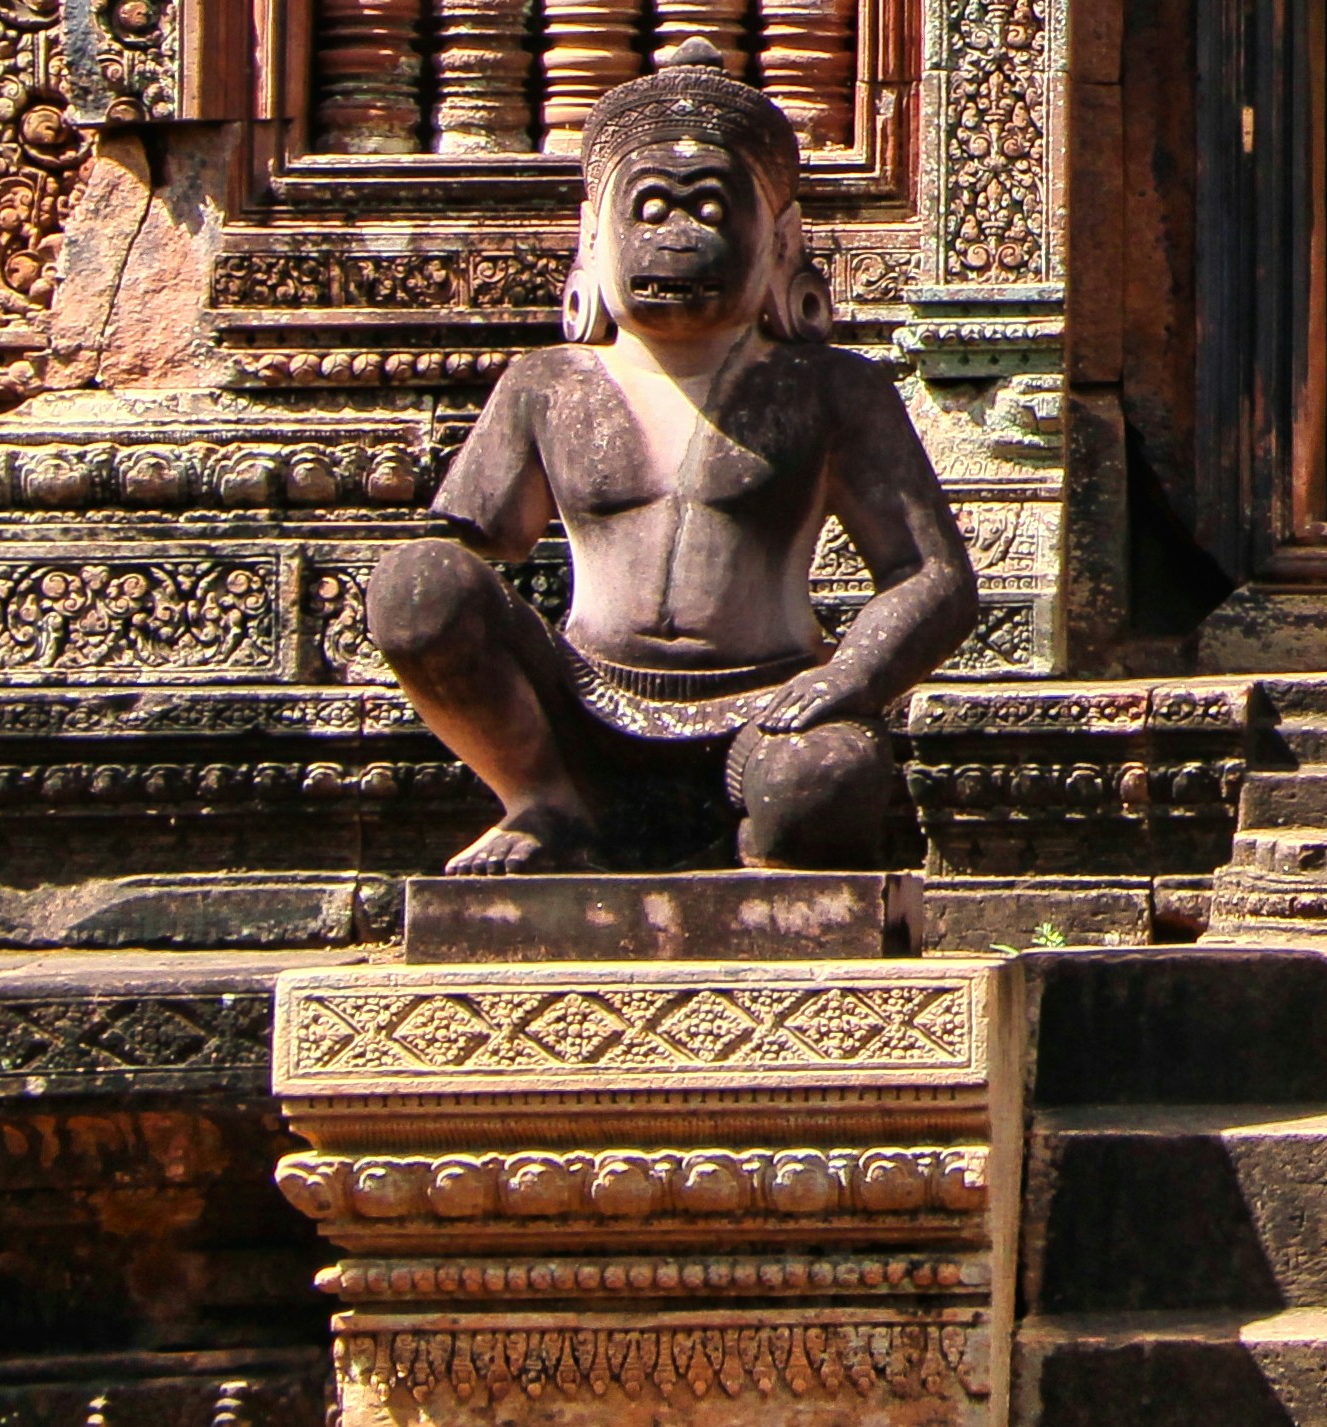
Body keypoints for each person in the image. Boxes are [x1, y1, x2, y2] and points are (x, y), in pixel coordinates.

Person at [366, 68, 979, 872]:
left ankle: (757, 850)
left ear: (781, 240)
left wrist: (853, 677)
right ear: (593, 234)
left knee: (826, 781)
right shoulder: (547, 385)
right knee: (416, 584)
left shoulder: (832, 388)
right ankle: (545, 802)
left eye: (712, 209)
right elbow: (467, 565)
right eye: (651, 208)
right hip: (579, 709)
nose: (678, 236)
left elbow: (932, 576)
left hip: (768, 710)